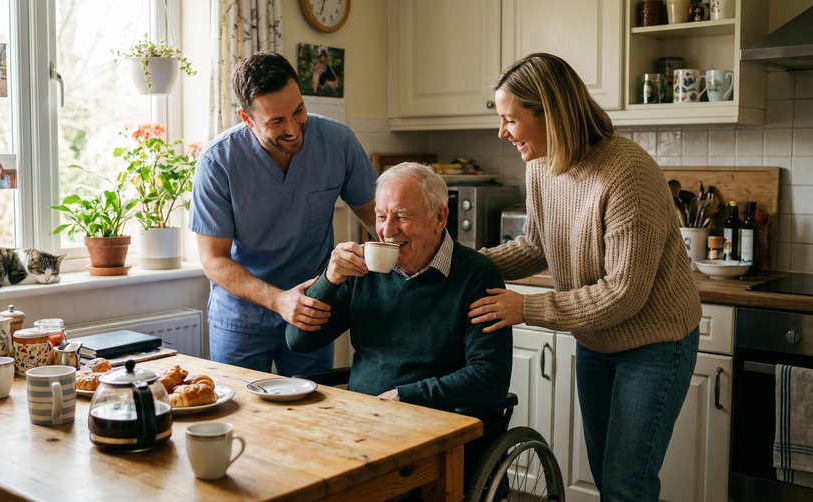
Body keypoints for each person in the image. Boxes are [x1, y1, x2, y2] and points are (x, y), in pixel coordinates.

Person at [467, 53, 702, 502]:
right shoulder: (540, 164)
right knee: (604, 475)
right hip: (596, 340)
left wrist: (527, 308)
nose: (502, 132)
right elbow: (535, 245)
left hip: (655, 344)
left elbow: (623, 293)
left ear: (550, 114)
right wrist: (465, 264)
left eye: (510, 120)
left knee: (626, 485)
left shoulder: (627, 172)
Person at [286, 162, 512, 482]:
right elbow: (298, 340)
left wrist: (406, 396)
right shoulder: (362, 270)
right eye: (381, 216)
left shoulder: (476, 275)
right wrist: (329, 279)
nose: (387, 230)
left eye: (402, 216)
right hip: (360, 427)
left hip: (433, 430)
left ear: (439, 218)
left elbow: (490, 376)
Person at [189, 51, 378, 377]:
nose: (293, 128)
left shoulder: (338, 142)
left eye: (298, 110)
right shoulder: (217, 162)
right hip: (242, 319)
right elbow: (214, 260)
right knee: (241, 407)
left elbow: (378, 217)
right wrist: (279, 300)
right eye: (276, 121)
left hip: (312, 310)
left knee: (312, 404)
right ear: (246, 118)